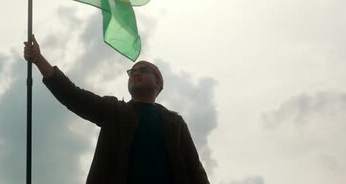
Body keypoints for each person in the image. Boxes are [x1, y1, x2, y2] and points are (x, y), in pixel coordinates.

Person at [23, 35, 209, 184]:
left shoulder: (174, 122)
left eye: (143, 70)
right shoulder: (114, 111)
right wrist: (39, 60)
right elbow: (73, 96)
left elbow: (195, 170)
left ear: (159, 83)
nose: (135, 72)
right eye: (132, 71)